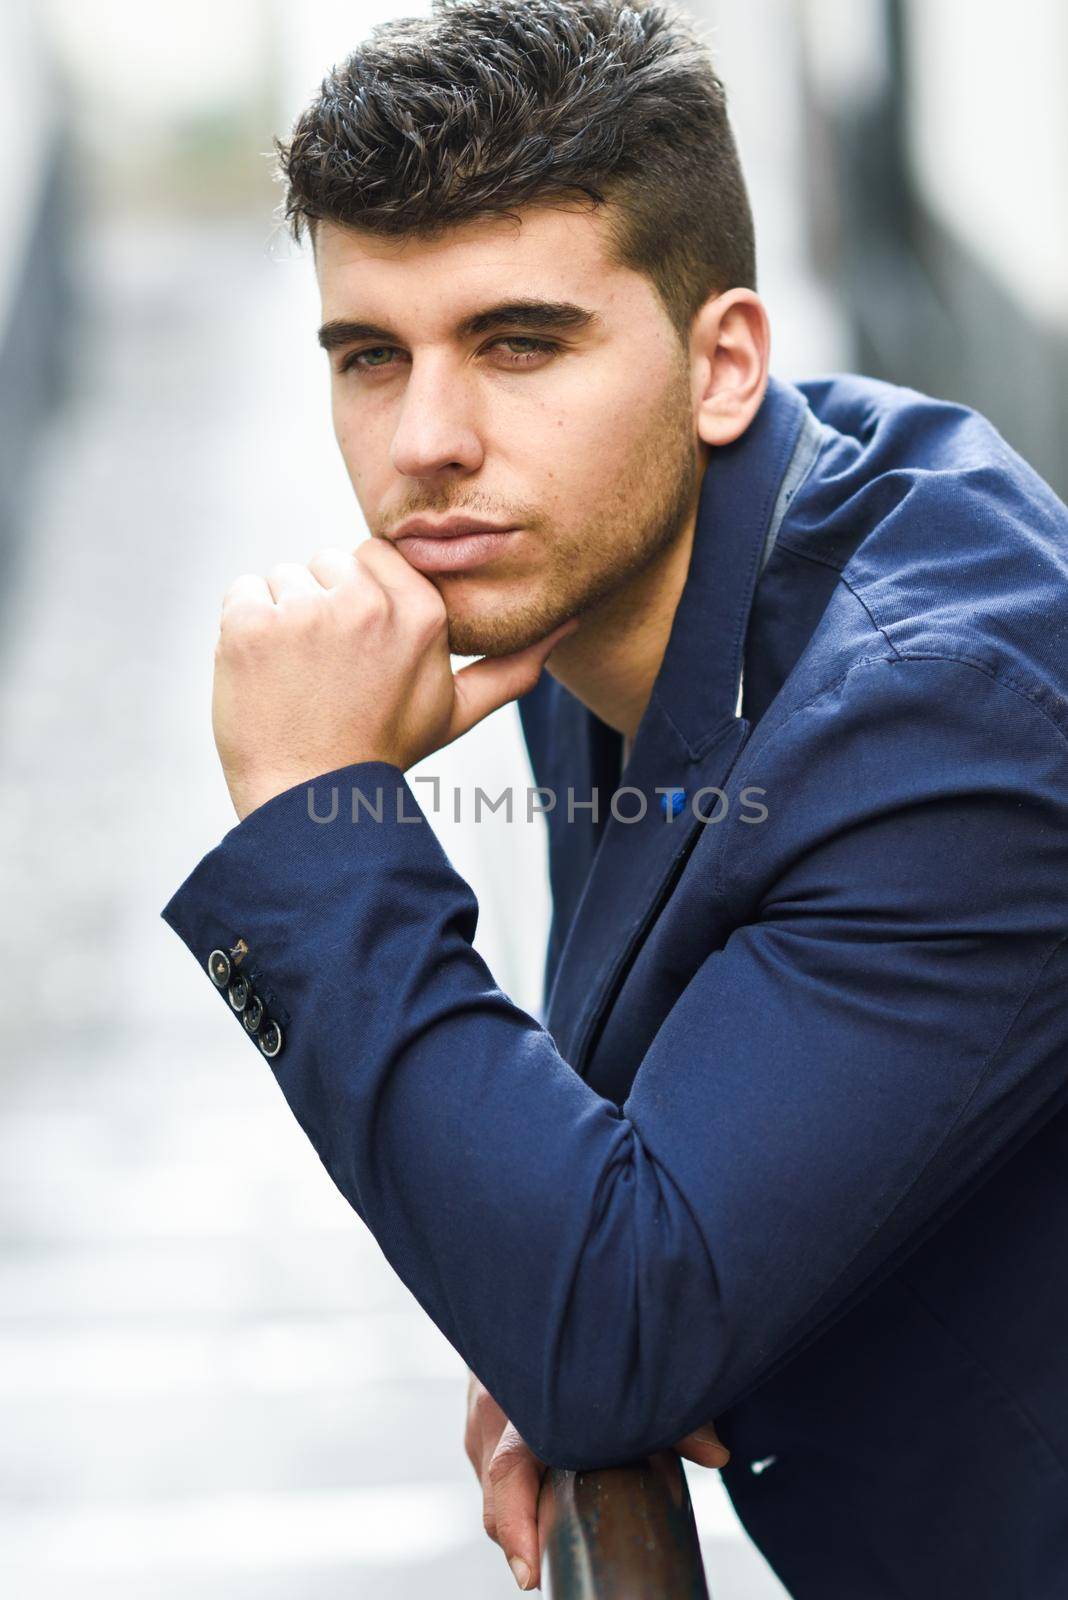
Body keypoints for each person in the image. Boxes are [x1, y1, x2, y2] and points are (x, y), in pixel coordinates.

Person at [160, 1, 1068, 1594]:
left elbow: (613, 1330)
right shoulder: (599, 572)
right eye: (372, 356)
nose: (428, 445)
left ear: (724, 363)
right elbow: (618, 1193)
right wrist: (531, 1260)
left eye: (520, 344)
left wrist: (315, 807)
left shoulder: (942, 723)